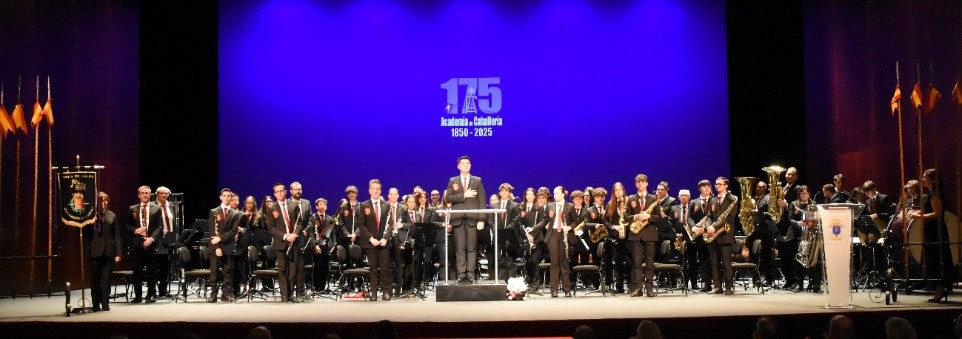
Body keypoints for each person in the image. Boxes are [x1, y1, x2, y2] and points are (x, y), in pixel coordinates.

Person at [913, 168, 956, 302]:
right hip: (932, 229)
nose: (922, 179)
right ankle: (940, 288)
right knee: (934, 258)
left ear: (932, 179)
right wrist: (919, 213)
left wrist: (919, 216)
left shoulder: (935, 194)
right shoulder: (931, 193)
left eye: (924, 176)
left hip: (935, 230)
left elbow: (937, 214)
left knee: (937, 258)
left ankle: (940, 289)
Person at [443, 155, 487, 284]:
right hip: (458, 219)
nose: (466, 165)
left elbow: (482, 201)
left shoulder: (477, 181)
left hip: (473, 218)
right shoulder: (453, 181)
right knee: (460, 247)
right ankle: (461, 273)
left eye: (468, 163)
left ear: (470, 166)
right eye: (463, 163)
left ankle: (471, 273)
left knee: (472, 247)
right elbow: (448, 199)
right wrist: (464, 195)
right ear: (458, 166)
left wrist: (481, 219)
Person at [265, 182, 310, 302]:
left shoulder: (293, 204)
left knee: (293, 270)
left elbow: (299, 221)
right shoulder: (271, 208)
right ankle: (285, 295)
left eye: (282, 191)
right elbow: (271, 228)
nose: (280, 193)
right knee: (282, 270)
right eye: (277, 191)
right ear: (275, 194)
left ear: (285, 192)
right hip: (281, 243)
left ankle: (291, 293)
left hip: (294, 242)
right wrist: (285, 236)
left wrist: (295, 234)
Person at [534, 186, 576, 297]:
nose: (555, 195)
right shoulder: (550, 206)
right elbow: (544, 221)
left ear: (563, 194)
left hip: (564, 234)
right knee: (554, 263)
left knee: (564, 263)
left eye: (557, 193)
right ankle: (554, 290)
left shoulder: (570, 206)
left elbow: (575, 221)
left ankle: (567, 290)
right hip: (553, 235)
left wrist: (569, 227)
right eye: (554, 193)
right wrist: (533, 229)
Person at [626, 174, 664, 297]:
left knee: (649, 263)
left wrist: (649, 216)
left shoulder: (653, 198)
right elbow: (626, 217)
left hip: (650, 234)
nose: (640, 184)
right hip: (635, 234)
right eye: (638, 182)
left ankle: (649, 289)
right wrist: (635, 217)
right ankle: (638, 288)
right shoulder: (630, 198)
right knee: (636, 263)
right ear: (635, 184)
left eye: (642, 182)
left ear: (647, 183)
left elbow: (659, 217)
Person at [85, 192, 122, 312]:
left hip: (108, 251)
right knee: (95, 279)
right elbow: (85, 235)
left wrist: (118, 253)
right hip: (95, 251)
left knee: (106, 279)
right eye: (101, 200)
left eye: (106, 201)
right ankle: (95, 303)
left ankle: (105, 302)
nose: (104, 203)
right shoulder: (90, 216)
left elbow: (116, 235)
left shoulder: (112, 215)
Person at [358, 179, 393, 301]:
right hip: (370, 242)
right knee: (373, 269)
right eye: (373, 189)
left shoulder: (387, 205)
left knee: (385, 268)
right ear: (369, 190)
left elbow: (391, 224)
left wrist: (385, 238)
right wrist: (371, 238)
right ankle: (373, 293)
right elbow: (361, 225)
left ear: (380, 190)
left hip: (384, 242)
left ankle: (386, 292)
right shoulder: (363, 205)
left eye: (378, 189)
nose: (376, 191)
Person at [126, 186, 161, 303]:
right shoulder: (132, 209)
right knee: (137, 272)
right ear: (139, 195)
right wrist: (135, 230)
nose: (145, 195)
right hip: (137, 244)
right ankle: (138, 296)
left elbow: (160, 226)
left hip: (151, 243)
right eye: (143, 193)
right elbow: (126, 226)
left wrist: (152, 238)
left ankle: (150, 295)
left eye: (147, 193)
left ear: (150, 195)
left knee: (152, 271)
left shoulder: (156, 208)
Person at [206, 188, 240, 302]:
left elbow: (233, 231)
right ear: (220, 197)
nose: (226, 198)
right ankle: (213, 294)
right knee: (214, 271)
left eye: (228, 196)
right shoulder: (214, 211)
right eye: (224, 196)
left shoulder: (235, 213)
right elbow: (212, 232)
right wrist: (217, 247)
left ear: (231, 198)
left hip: (229, 245)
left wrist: (220, 238)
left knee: (228, 271)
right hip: (216, 247)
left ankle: (226, 293)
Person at [707, 177, 736, 295]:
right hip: (713, 235)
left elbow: (729, 218)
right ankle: (717, 287)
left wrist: (714, 227)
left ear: (726, 186)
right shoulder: (713, 200)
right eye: (716, 184)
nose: (717, 186)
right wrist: (709, 226)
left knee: (726, 263)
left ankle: (729, 287)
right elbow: (709, 215)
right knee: (714, 263)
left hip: (725, 235)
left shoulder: (732, 199)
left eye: (720, 184)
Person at [311, 198, 334, 293]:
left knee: (325, 266)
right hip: (316, 245)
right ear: (316, 206)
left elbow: (333, 234)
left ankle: (323, 287)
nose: (322, 206)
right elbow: (311, 233)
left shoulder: (329, 218)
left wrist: (333, 245)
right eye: (320, 204)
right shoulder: (312, 217)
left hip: (326, 245)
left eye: (324, 204)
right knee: (317, 266)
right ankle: (316, 287)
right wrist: (314, 245)